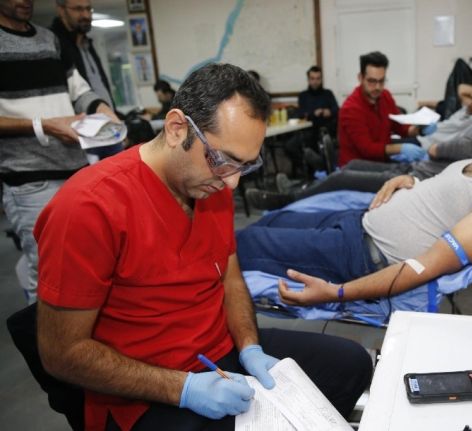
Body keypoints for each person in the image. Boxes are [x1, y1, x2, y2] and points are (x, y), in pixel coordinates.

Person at [34, 63, 372, 430]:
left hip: (220, 352)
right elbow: (62, 354)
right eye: (224, 160)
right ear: (177, 128)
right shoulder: (88, 207)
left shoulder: (210, 183)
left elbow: (230, 278)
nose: (232, 184)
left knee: (351, 365)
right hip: (146, 387)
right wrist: (184, 388)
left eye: (245, 166)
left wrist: (249, 346)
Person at [235, 79, 472, 306]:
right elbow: (448, 197)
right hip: (359, 223)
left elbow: (425, 266)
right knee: (268, 223)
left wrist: (337, 293)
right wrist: (411, 182)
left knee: (246, 244)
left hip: (361, 255)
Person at [0, 0, 120, 304]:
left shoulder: (48, 39)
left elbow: (79, 90)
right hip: (30, 179)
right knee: (48, 272)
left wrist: (101, 108)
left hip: (76, 170)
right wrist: (43, 125)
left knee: (89, 261)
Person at [246, 83, 472, 211]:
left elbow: (438, 149)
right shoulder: (354, 106)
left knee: (342, 177)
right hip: (413, 165)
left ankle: (289, 199)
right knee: (350, 165)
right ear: (361, 78)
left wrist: (410, 140)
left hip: (414, 177)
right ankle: (307, 184)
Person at [50, 0, 123, 161]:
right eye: (78, 9)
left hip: (107, 127)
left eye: (88, 9)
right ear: (61, 10)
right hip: (80, 134)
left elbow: (99, 85)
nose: (85, 15)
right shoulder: (53, 44)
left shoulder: (87, 43)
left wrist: (114, 115)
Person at [337, 51, 421, 166]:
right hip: (356, 167)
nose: (377, 87)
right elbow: (367, 149)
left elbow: (400, 127)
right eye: (372, 81)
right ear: (360, 78)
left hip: (380, 161)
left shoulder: (385, 96)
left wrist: (419, 130)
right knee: (405, 174)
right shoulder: (351, 108)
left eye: (381, 81)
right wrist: (400, 148)